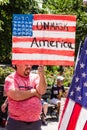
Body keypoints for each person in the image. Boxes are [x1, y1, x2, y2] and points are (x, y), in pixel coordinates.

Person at [3, 65, 47, 130]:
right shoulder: (11, 78)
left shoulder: (36, 77)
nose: (29, 66)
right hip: (16, 123)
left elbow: (42, 91)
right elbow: (17, 95)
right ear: (17, 65)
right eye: (26, 64)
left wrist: (42, 75)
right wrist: (34, 92)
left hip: (35, 122)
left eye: (30, 64)